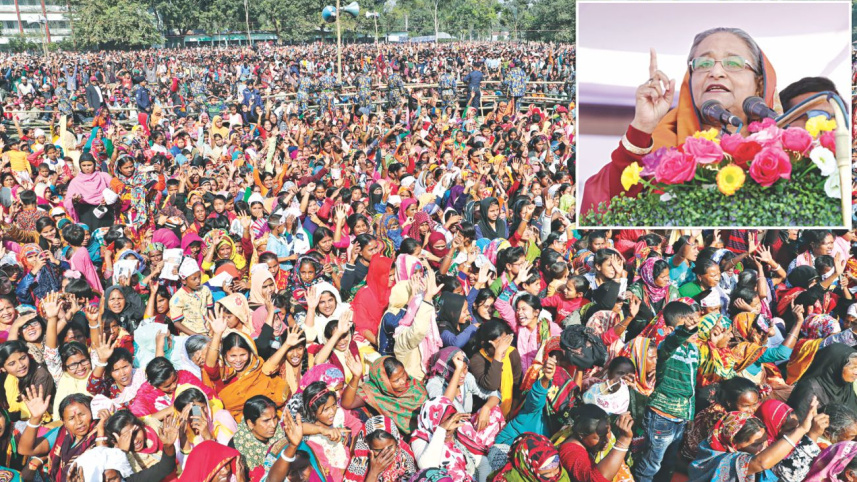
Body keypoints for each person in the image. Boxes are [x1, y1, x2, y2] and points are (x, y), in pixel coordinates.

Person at [582, 27, 780, 213]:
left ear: (759, 83)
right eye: (703, 64)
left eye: (733, 63)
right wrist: (642, 127)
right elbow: (607, 202)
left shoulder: (786, 149)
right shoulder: (663, 143)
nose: (716, 72)